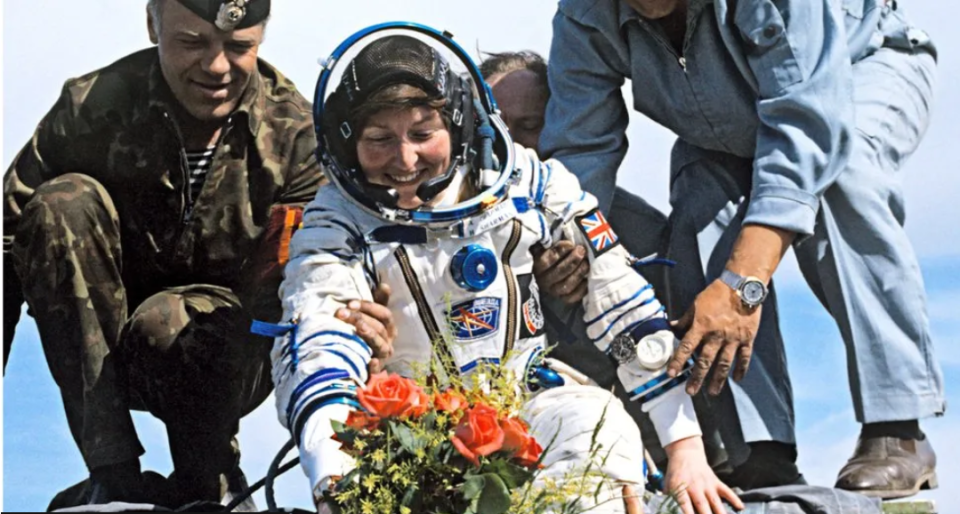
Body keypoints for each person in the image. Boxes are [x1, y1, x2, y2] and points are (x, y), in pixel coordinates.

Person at [269, 27, 742, 514]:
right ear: (348, 146)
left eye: (422, 134)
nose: (405, 158)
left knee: (596, 424)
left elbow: (621, 299)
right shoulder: (335, 223)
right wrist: (333, 480)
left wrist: (684, 447)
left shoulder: (528, 184)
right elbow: (319, 342)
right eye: (379, 139)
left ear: (456, 125)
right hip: (406, 436)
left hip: (525, 408)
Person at [540, 0, 944, 498]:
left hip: (855, 71)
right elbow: (581, 147)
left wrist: (742, 286)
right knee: (699, 206)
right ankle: (760, 450)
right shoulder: (584, 13)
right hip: (721, 124)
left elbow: (808, 126)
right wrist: (573, 244)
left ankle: (897, 428)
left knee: (845, 177)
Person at [2, 0, 396, 508]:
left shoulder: (297, 135)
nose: (215, 68)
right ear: (152, 24)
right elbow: (5, 243)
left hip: (231, 354)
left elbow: (319, 278)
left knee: (172, 318)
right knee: (61, 204)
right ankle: (112, 477)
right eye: (191, 43)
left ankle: (208, 474)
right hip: (99, 344)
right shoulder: (91, 109)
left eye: (239, 47)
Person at [479, 50, 737, 475]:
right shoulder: (448, 226)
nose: (515, 147)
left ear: (562, 124)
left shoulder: (640, 233)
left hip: (635, 450)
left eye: (530, 127)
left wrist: (685, 454)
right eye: (498, 130)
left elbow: (656, 347)